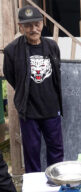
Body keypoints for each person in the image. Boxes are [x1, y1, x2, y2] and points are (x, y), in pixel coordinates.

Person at [3, 5, 64, 173]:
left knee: (56, 152)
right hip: (28, 112)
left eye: (37, 24)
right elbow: (11, 76)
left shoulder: (52, 46)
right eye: (28, 25)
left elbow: (56, 75)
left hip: (51, 110)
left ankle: (56, 183)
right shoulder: (12, 51)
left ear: (42, 24)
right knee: (31, 153)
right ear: (20, 27)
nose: (33, 29)